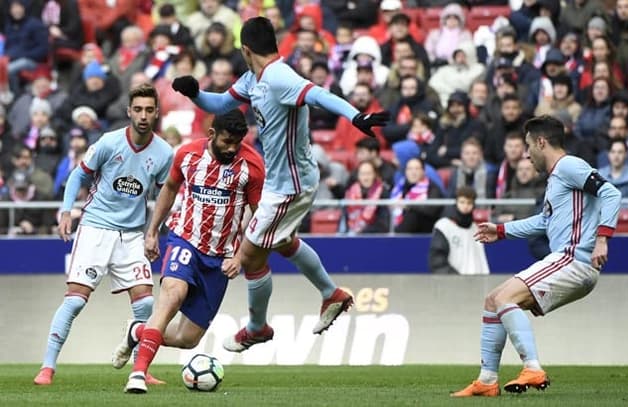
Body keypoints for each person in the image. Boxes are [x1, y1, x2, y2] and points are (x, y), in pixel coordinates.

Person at [171, 16, 389, 352]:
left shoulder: (279, 76)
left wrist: (354, 116)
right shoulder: (253, 78)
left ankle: (258, 327)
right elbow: (220, 104)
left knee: (249, 254)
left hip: (292, 185)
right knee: (283, 243)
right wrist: (195, 93)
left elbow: (317, 94)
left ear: (246, 49)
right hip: (279, 182)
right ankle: (331, 293)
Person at [452, 115, 622, 397]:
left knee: (505, 299)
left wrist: (603, 238)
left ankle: (532, 368)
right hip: (567, 261)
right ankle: (487, 380)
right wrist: (502, 231)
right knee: (493, 300)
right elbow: (543, 222)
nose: (527, 154)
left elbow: (611, 193)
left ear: (542, 142)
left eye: (529, 146)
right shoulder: (557, 179)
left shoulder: (569, 165)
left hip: (573, 258)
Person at [113, 109, 265, 394]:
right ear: (211, 134)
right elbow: (169, 188)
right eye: (226, 141)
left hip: (220, 257)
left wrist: (240, 256)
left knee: (187, 338)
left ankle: (137, 331)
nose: (232, 148)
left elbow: (259, 217)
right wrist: (152, 231)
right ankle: (138, 373)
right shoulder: (187, 155)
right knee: (172, 296)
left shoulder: (252, 166)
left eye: (237, 142)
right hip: (184, 240)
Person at [33, 84, 174, 386]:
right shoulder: (109, 142)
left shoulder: (164, 153)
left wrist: (154, 232)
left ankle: (141, 368)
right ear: (129, 112)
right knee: (74, 302)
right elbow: (78, 175)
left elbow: (165, 194)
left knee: (147, 305)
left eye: (149, 110)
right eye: (138, 109)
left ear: (157, 112)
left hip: (132, 235)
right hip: (96, 227)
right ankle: (47, 367)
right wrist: (66, 211)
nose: (144, 116)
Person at [429, 186, 489, 275]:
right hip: (452, 283)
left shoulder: (475, 228)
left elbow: (481, 260)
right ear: (456, 202)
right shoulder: (443, 226)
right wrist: (455, 278)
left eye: (469, 203)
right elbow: (437, 261)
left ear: (473, 205)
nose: (465, 206)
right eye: (462, 202)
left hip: (476, 283)